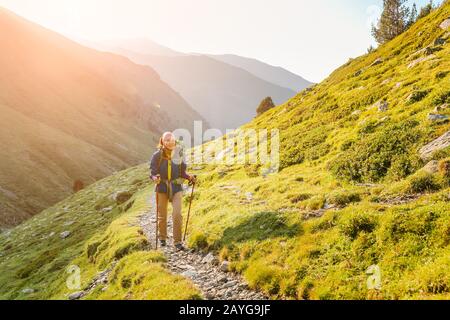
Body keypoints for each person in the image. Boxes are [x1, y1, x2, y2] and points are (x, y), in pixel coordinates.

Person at [150, 132, 196, 250]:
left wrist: (189, 177)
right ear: (163, 142)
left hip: (176, 187)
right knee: (162, 215)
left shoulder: (179, 154)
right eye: (167, 140)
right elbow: (153, 172)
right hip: (162, 187)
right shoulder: (157, 156)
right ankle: (162, 238)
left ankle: (177, 241)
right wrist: (155, 178)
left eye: (172, 140)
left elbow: (182, 172)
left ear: (175, 141)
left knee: (177, 214)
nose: (170, 142)